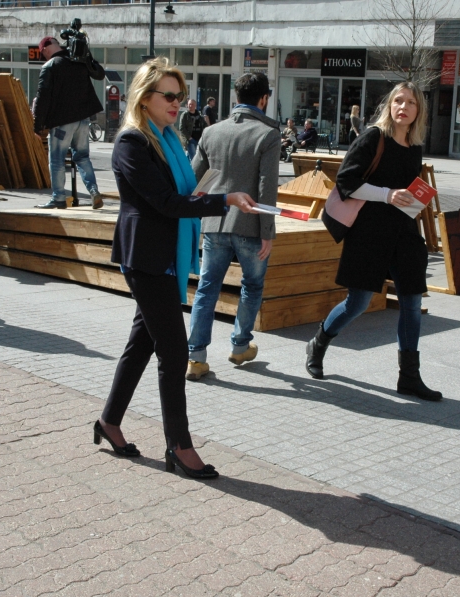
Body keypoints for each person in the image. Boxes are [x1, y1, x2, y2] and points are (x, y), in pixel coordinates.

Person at [94, 58, 256, 479]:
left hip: (165, 256)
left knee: (142, 345)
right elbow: (165, 203)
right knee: (174, 351)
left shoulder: (168, 138)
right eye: (168, 95)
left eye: (179, 95)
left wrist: (203, 196)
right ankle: (179, 446)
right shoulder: (132, 143)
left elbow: (176, 197)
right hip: (145, 258)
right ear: (144, 97)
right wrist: (222, 200)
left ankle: (109, 422)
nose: (176, 102)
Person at [304, 82, 441, 401]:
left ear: (419, 110)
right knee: (358, 302)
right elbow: (347, 181)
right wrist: (387, 194)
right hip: (369, 233)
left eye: (411, 102)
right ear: (389, 105)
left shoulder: (414, 145)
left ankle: (409, 377)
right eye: (398, 101)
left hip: (404, 233)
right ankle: (319, 342)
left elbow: (406, 189)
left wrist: (414, 198)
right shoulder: (373, 137)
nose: (403, 107)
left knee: (411, 303)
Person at [186, 72, 280, 381]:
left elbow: (195, 182)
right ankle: (240, 345)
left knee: (207, 288)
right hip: (250, 225)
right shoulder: (267, 134)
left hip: (214, 223)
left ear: (236, 97)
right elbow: (267, 188)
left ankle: (196, 357)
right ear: (264, 99)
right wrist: (267, 232)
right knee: (252, 285)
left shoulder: (211, 132)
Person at [32, 36, 105, 210]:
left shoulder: (50, 66)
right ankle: (94, 191)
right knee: (82, 157)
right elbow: (99, 74)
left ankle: (58, 197)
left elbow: (42, 98)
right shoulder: (79, 60)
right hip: (83, 119)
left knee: (56, 160)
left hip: (62, 122)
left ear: (45, 49)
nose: (44, 57)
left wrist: (37, 126)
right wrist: (88, 56)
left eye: (43, 53)